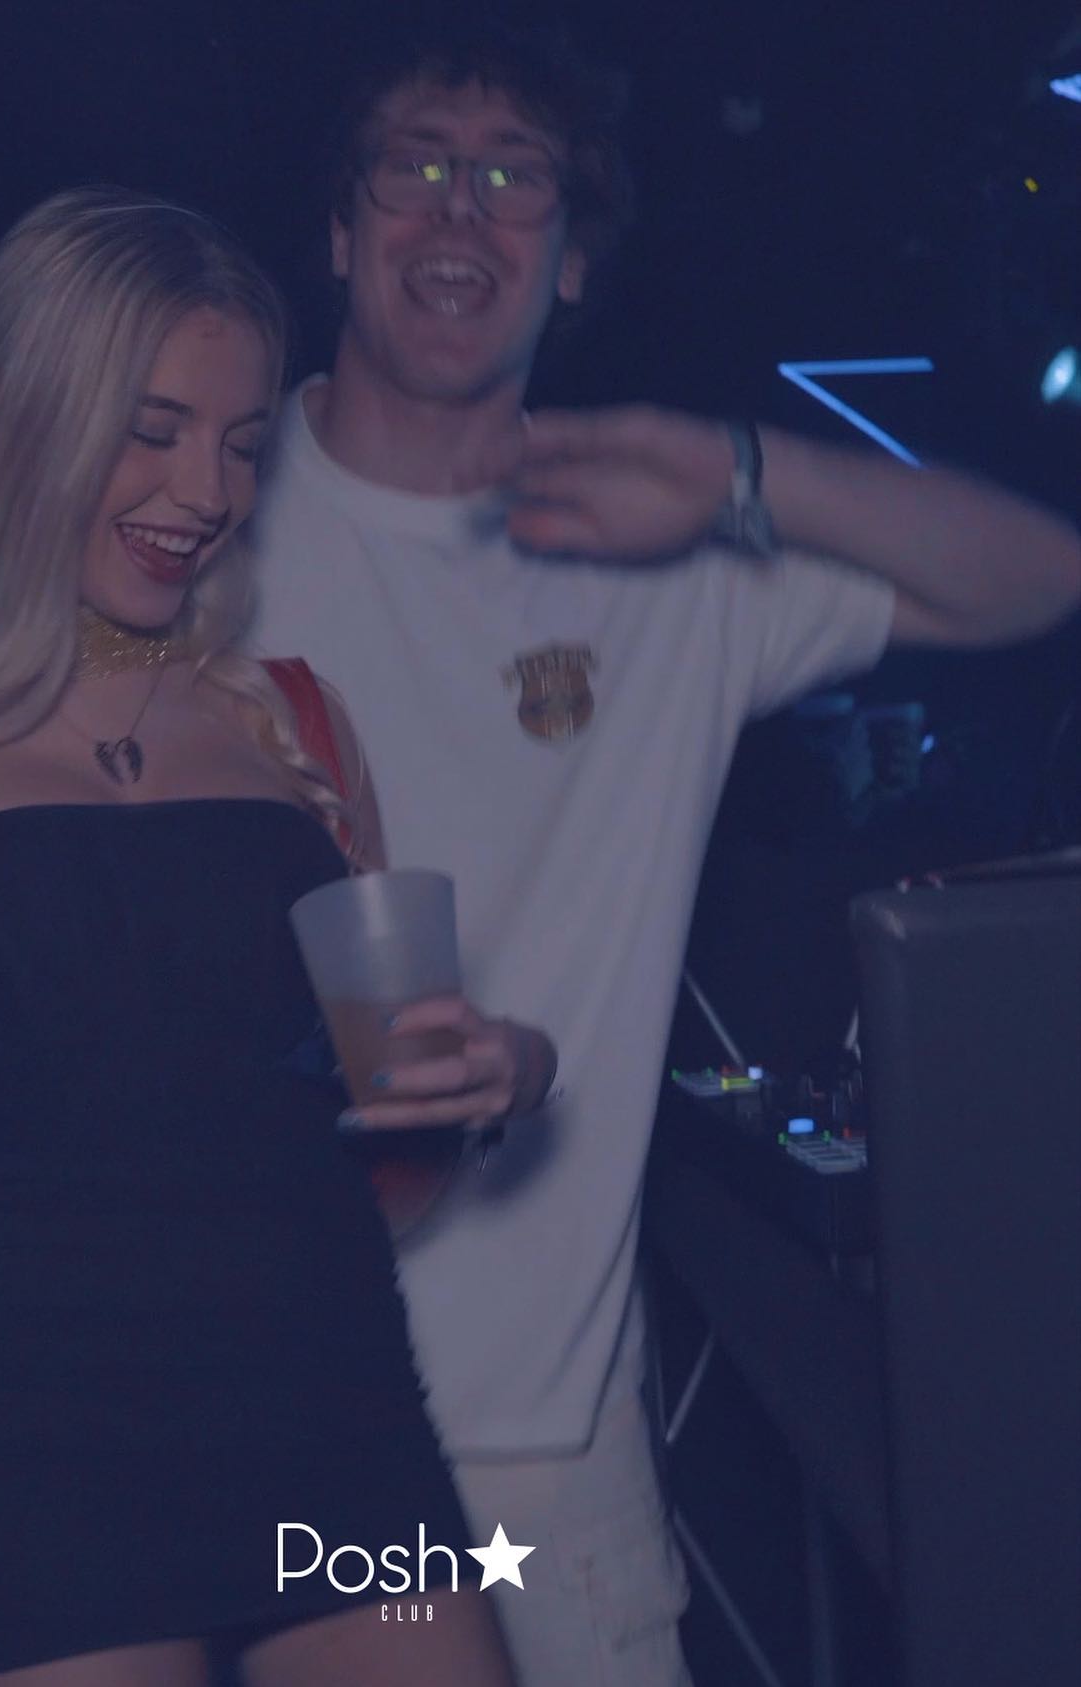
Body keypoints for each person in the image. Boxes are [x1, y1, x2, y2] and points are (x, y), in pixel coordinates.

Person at [243, 24, 1081, 1685]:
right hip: (258, 1400)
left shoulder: (651, 548)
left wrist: (734, 470)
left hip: (542, 1445)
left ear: (569, 261)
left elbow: (1037, 580)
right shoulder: (202, 516)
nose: (458, 208)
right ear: (338, 230)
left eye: (513, 177)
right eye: (415, 164)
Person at [0, 187, 559, 1687]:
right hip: (34, 1462)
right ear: (23, 422)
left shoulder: (289, 722)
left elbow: (412, 1099)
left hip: (334, 1421)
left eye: (241, 443)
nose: (206, 489)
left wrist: (516, 1066)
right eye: (153, 429)